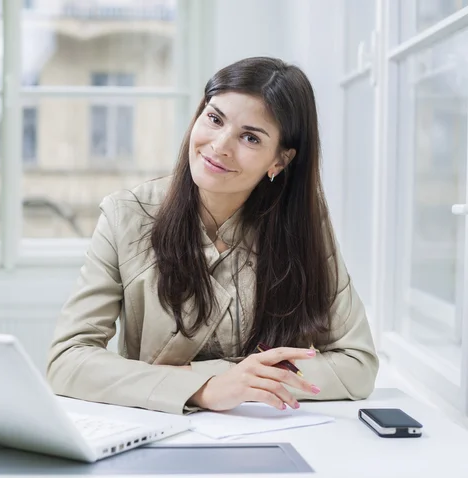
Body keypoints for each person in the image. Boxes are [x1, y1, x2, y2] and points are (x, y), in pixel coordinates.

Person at [47, 57, 379, 415]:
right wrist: (205, 388)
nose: (220, 145)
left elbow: (357, 364)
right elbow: (67, 359)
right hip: (156, 435)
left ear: (279, 161)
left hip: (268, 442)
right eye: (215, 118)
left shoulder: (303, 227)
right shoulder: (125, 215)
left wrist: (229, 380)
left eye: (250, 137)